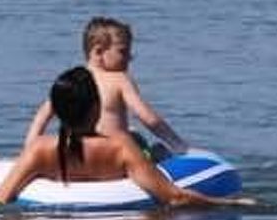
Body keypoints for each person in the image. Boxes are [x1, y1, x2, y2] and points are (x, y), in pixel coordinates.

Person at [0, 67, 252, 212]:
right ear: (96, 108)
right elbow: (174, 197)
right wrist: (230, 204)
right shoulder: (120, 146)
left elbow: (0, 198)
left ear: (58, 111)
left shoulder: (41, 149)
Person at [21, 16, 187, 157]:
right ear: (98, 51)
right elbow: (149, 118)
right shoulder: (120, 79)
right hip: (112, 157)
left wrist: (27, 153)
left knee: (133, 134)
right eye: (123, 52)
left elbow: (41, 118)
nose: (130, 58)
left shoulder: (71, 80)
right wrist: (178, 145)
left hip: (79, 156)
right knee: (153, 147)